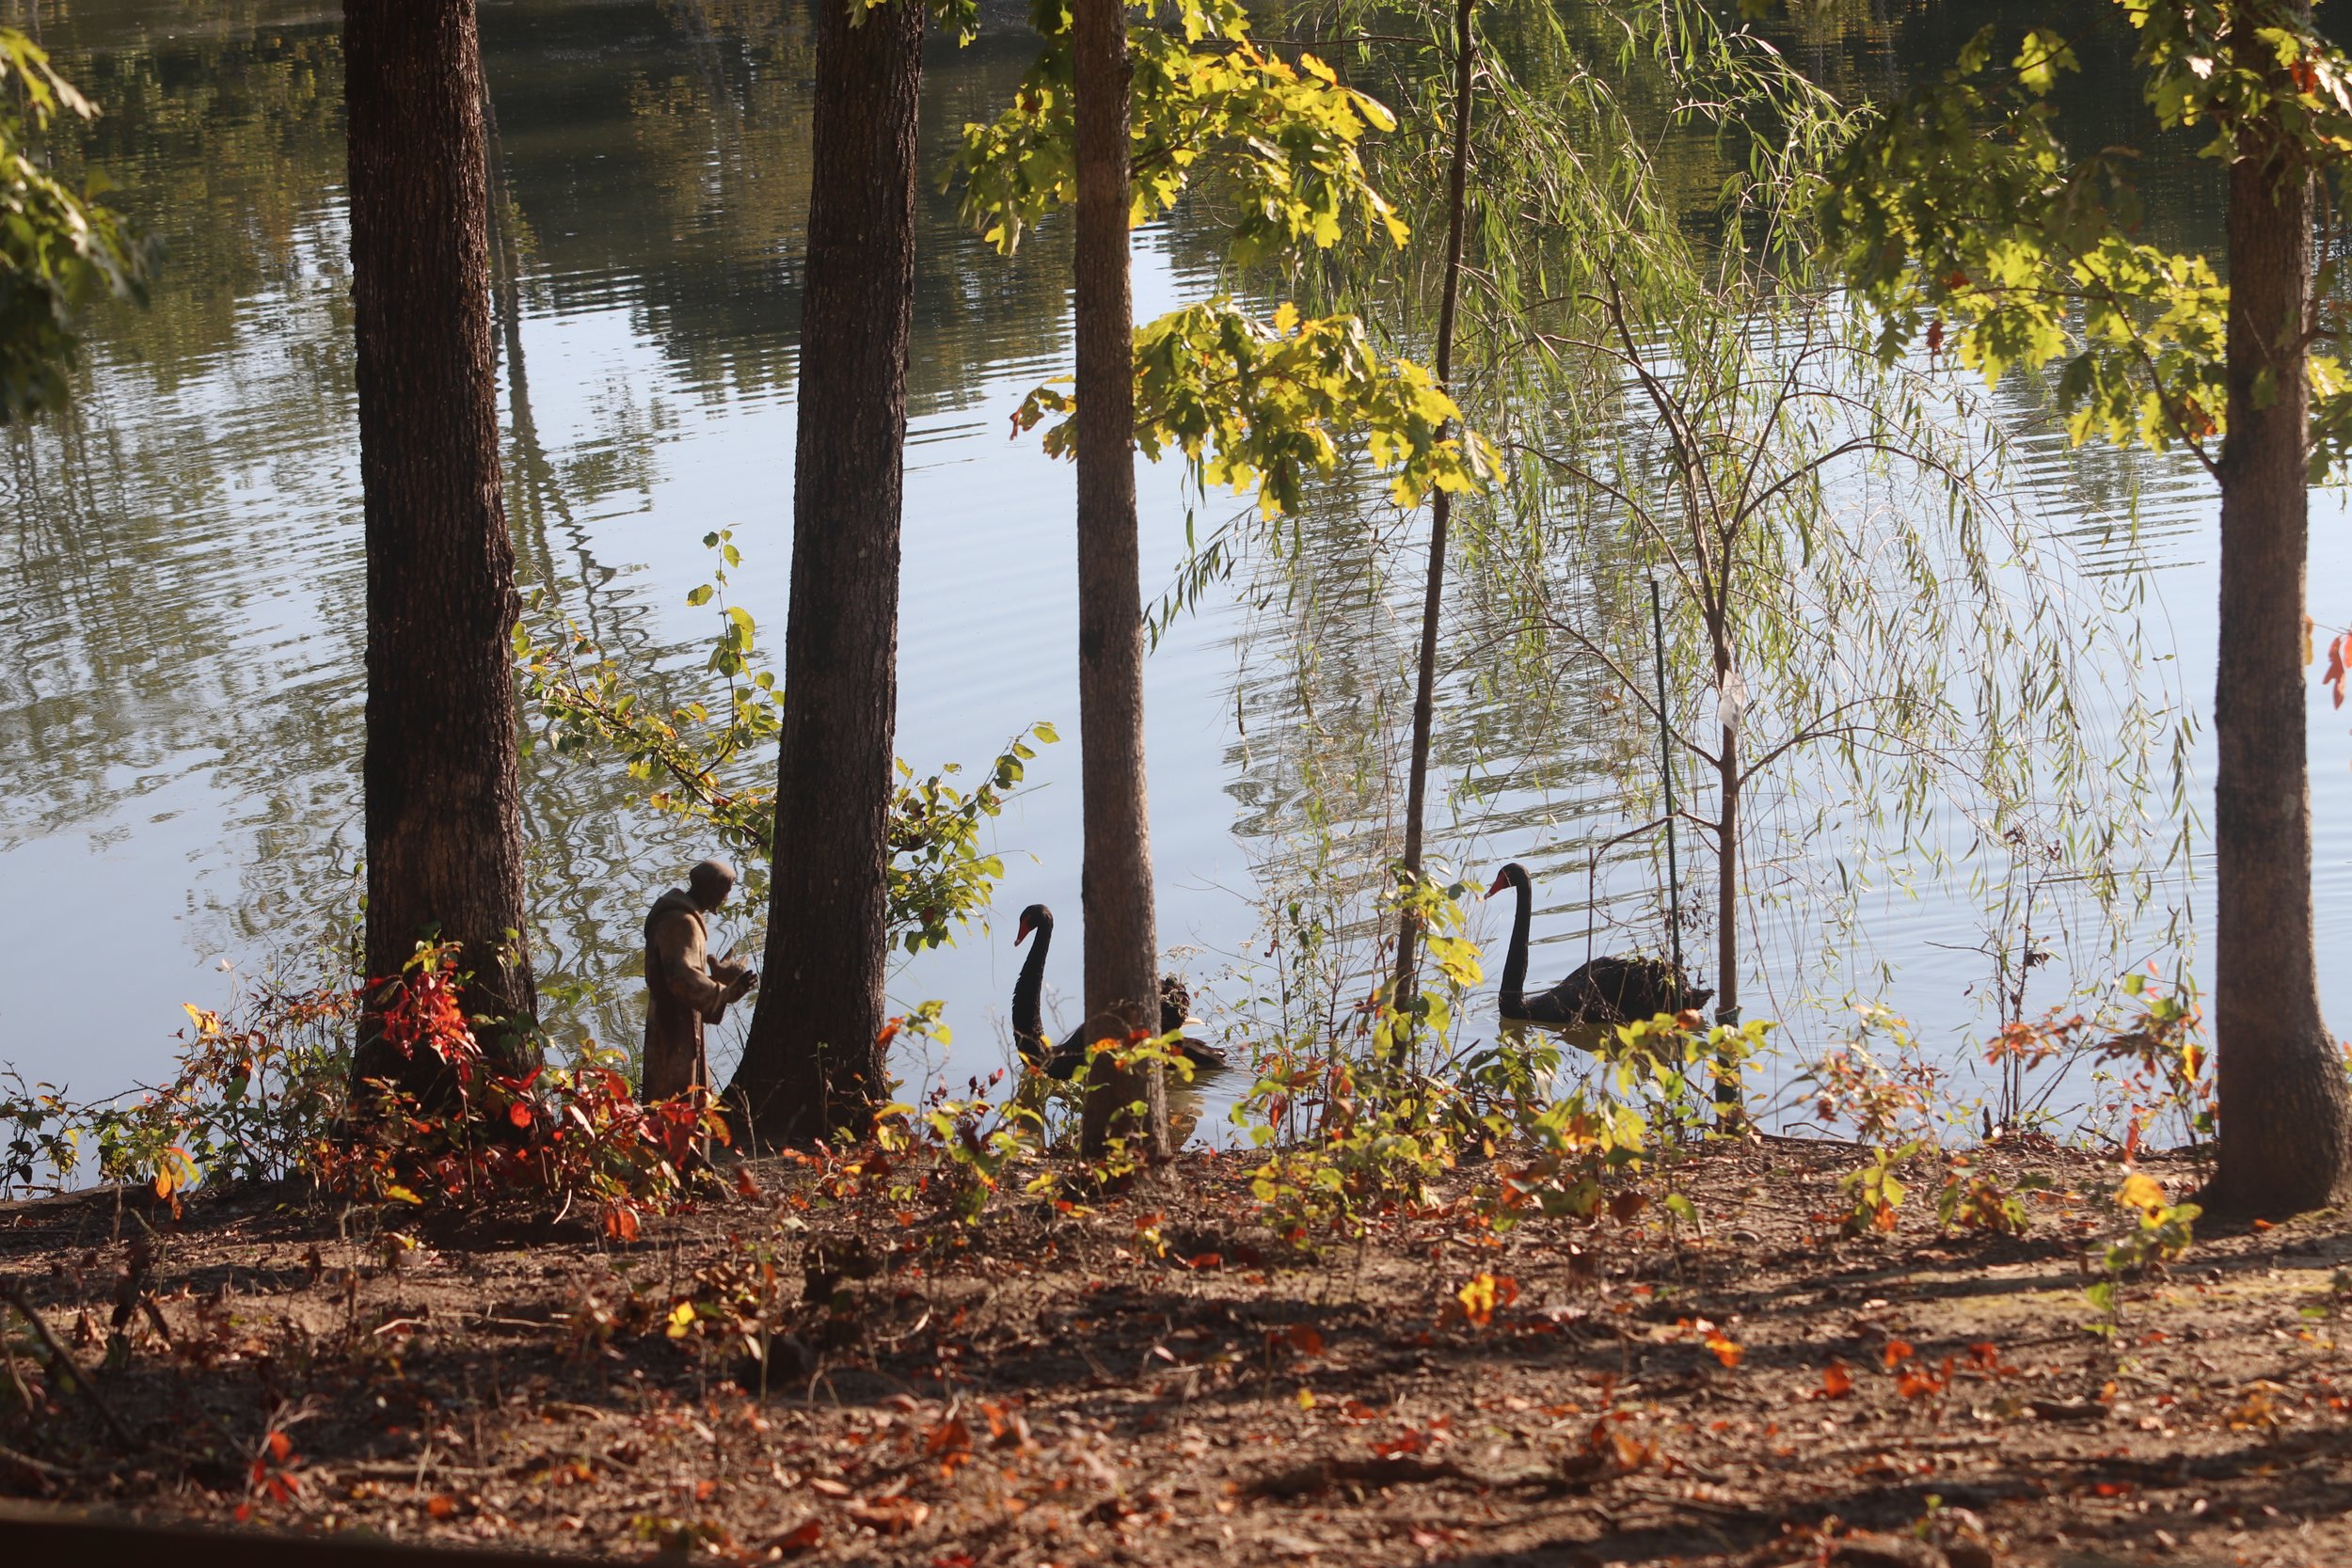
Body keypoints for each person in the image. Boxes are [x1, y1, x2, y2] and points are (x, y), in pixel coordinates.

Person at [641, 859, 757, 1101]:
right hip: (671, 1023)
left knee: (689, 1090)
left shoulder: (683, 917)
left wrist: (718, 978)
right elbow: (681, 978)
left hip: (681, 1017)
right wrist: (725, 992)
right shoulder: (681, 923)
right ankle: (669, 1138)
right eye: (724, 892)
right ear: (710, 890)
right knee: (674, 1094)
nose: (726, 899)